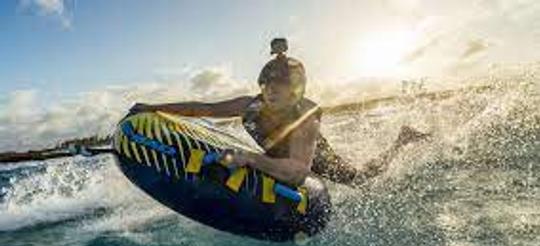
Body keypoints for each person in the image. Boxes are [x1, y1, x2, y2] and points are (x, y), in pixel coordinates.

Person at [130, 38, 429, 187]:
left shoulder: (305, 119)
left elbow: (299, 171)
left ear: (296, 89)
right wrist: (153, 108)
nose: (271, 90)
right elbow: (202, 108)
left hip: (317, 162)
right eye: (267, 83)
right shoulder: (251, 104)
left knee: (361, 178)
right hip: (275, 158)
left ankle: (402, 140)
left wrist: (248, 158)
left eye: (280, 85)